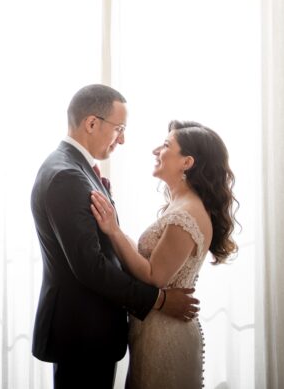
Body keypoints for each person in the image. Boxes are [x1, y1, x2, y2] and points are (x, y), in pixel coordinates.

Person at [31, 84, 200, 388]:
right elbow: (90, 267)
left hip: (87, 331)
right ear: (92, 123)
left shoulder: (75, 168)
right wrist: (159, 301)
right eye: (119, 129)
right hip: (81, 333)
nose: (122, 139)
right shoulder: (67, 176)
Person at [89, 120, 239, 389]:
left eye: (167, 145)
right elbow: (147, 259)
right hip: (155, 328)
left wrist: (112, 231)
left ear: (187, 162)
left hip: (165, 335)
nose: (156, 150)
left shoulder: (186, 212)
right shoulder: (179, 205)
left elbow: (153, 275)